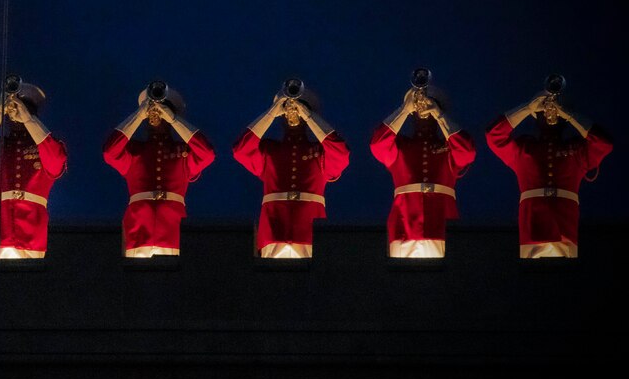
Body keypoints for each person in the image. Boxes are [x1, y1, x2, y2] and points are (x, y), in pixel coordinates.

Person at [486, 76, 612, 258]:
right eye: (542, 112)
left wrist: (569, 114)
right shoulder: (524, 148)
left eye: (556, 112)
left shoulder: (576, 149)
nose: (550, 114)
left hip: (565, 225)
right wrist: (528, 107)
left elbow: (604, 144)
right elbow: (493, 135)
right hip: (533, 224)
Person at [232, 79, 349, 258]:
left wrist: (309, 116)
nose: (292, 113)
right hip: (274, 229)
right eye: (287, 110)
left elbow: (341, 152)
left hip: (308, 229)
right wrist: (271, 113)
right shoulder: (270, 150)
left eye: (298, 110)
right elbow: (241, 150)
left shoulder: (317, 151)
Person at [370, 70, 476, 258]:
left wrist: (439, 115)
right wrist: (404, 110)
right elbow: (377, 144)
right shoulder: (401, 145)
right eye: (417, 108)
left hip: (442, 222)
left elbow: (467, 153)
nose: (423, 110)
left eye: (430, 106)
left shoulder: (449, 146)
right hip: (405, 224)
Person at [103, 81, 215, 257]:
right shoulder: (135, 150)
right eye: (153, 112)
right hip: (139, 230)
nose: (156, 115)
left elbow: (207, 154)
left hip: (171, 230)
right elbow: (110, 152)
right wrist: (138, 116)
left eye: (162, 112)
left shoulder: (180, 150)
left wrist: (174, 120)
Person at [0, 75, 67, 259]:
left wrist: (29, 120)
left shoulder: (45, 146)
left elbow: (56, 160)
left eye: (24, 109)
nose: (16, 116)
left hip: (32, 232)